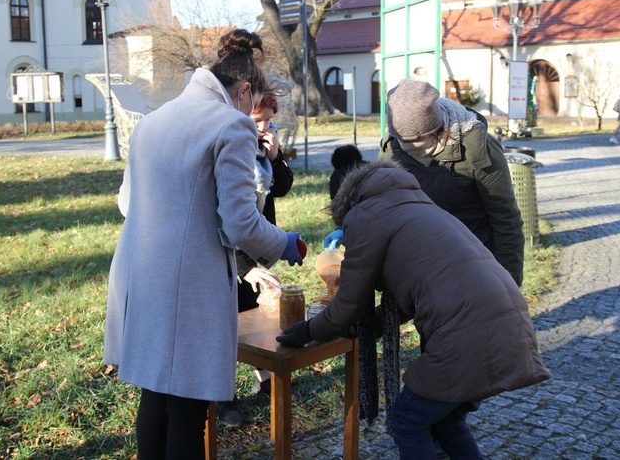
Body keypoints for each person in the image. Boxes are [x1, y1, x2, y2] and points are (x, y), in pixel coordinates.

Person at [103, 28, 304, 459]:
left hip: (139, 276)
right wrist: (285, 243)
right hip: (187, 285)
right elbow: (240, 223)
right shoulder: (230, 123)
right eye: (252, 104)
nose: (251, 114)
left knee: (155, 398)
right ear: (245, 90)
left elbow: (126, 201)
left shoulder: (153, 122)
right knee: (190, 411)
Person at [277, 160, 550, 459]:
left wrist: (306, 331)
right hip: (510, 320)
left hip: (467, 332)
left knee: (407, 419)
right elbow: (415, 295)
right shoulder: (421, 203)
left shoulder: (365, 214)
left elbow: (347, 304)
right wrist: (371, 327)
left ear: (347, 204)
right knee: (446, 419)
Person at [377, 79, 525, 287]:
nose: (411, 150)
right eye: (404, 143)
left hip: (474, 262)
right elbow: (382, 206)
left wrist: (509, 280)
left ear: (436, 130)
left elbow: (505, 217)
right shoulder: (392, 147)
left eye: (418, 145)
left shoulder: (477, 148)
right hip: (421, 264)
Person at [217, 87, 294, 427]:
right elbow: (224, 214)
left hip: (258, 240)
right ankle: (223, 395)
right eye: (258, 120)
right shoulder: (231, 146)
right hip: (229, 246)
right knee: (226, 319)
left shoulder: (264, 142)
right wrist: (244, 266)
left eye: (268, 121)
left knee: (255, 312)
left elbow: (282, 186)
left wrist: (276, 157)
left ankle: (266, 377)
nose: (264, 128)